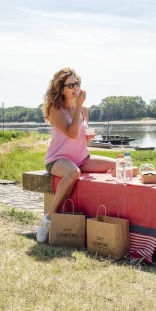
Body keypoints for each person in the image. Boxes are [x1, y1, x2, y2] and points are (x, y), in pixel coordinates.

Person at [36, 68, 116, 243]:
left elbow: (80, 139)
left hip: (81, 158)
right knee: (73, 173)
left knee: (117, 164)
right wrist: (78, 105)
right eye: (70, 85)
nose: (75, 87)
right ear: (61, 89)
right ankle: (49, 218)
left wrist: (88, 137)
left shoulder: (84, 110)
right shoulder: (55, 110)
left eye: (77, 83)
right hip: (57, 160)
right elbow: (71, 134)